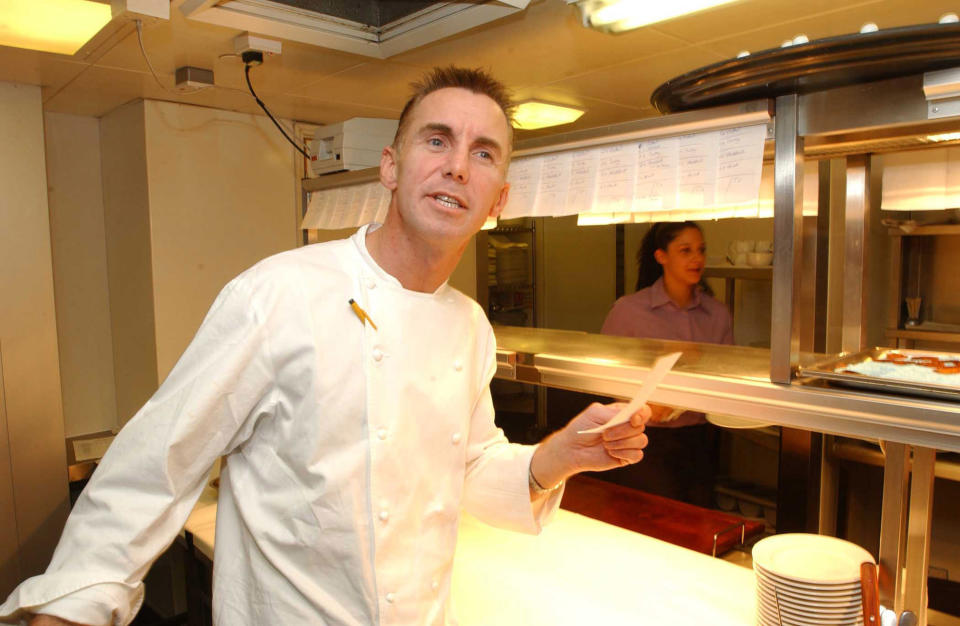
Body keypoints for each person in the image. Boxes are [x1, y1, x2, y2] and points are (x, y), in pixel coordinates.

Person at [1, 67, 650, 626]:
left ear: (498, 200)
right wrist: (70, 606)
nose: (458, 163)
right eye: (437, 140)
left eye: (484, 153)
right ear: (391, 168)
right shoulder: (280, 295)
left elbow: (469, 466)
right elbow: (160, 463)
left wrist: (559, 456)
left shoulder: (471, 325)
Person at [600, 221, 733, 507]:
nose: (696, 258)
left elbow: (725, 377)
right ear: (661, 256)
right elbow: (609, 376)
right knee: (650, 520)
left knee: (698, 519)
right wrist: (642, 407)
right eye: (685, 250)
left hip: (699, 439)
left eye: (701, 250)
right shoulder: (629, 310)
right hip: (644, 439)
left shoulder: (717, 314)